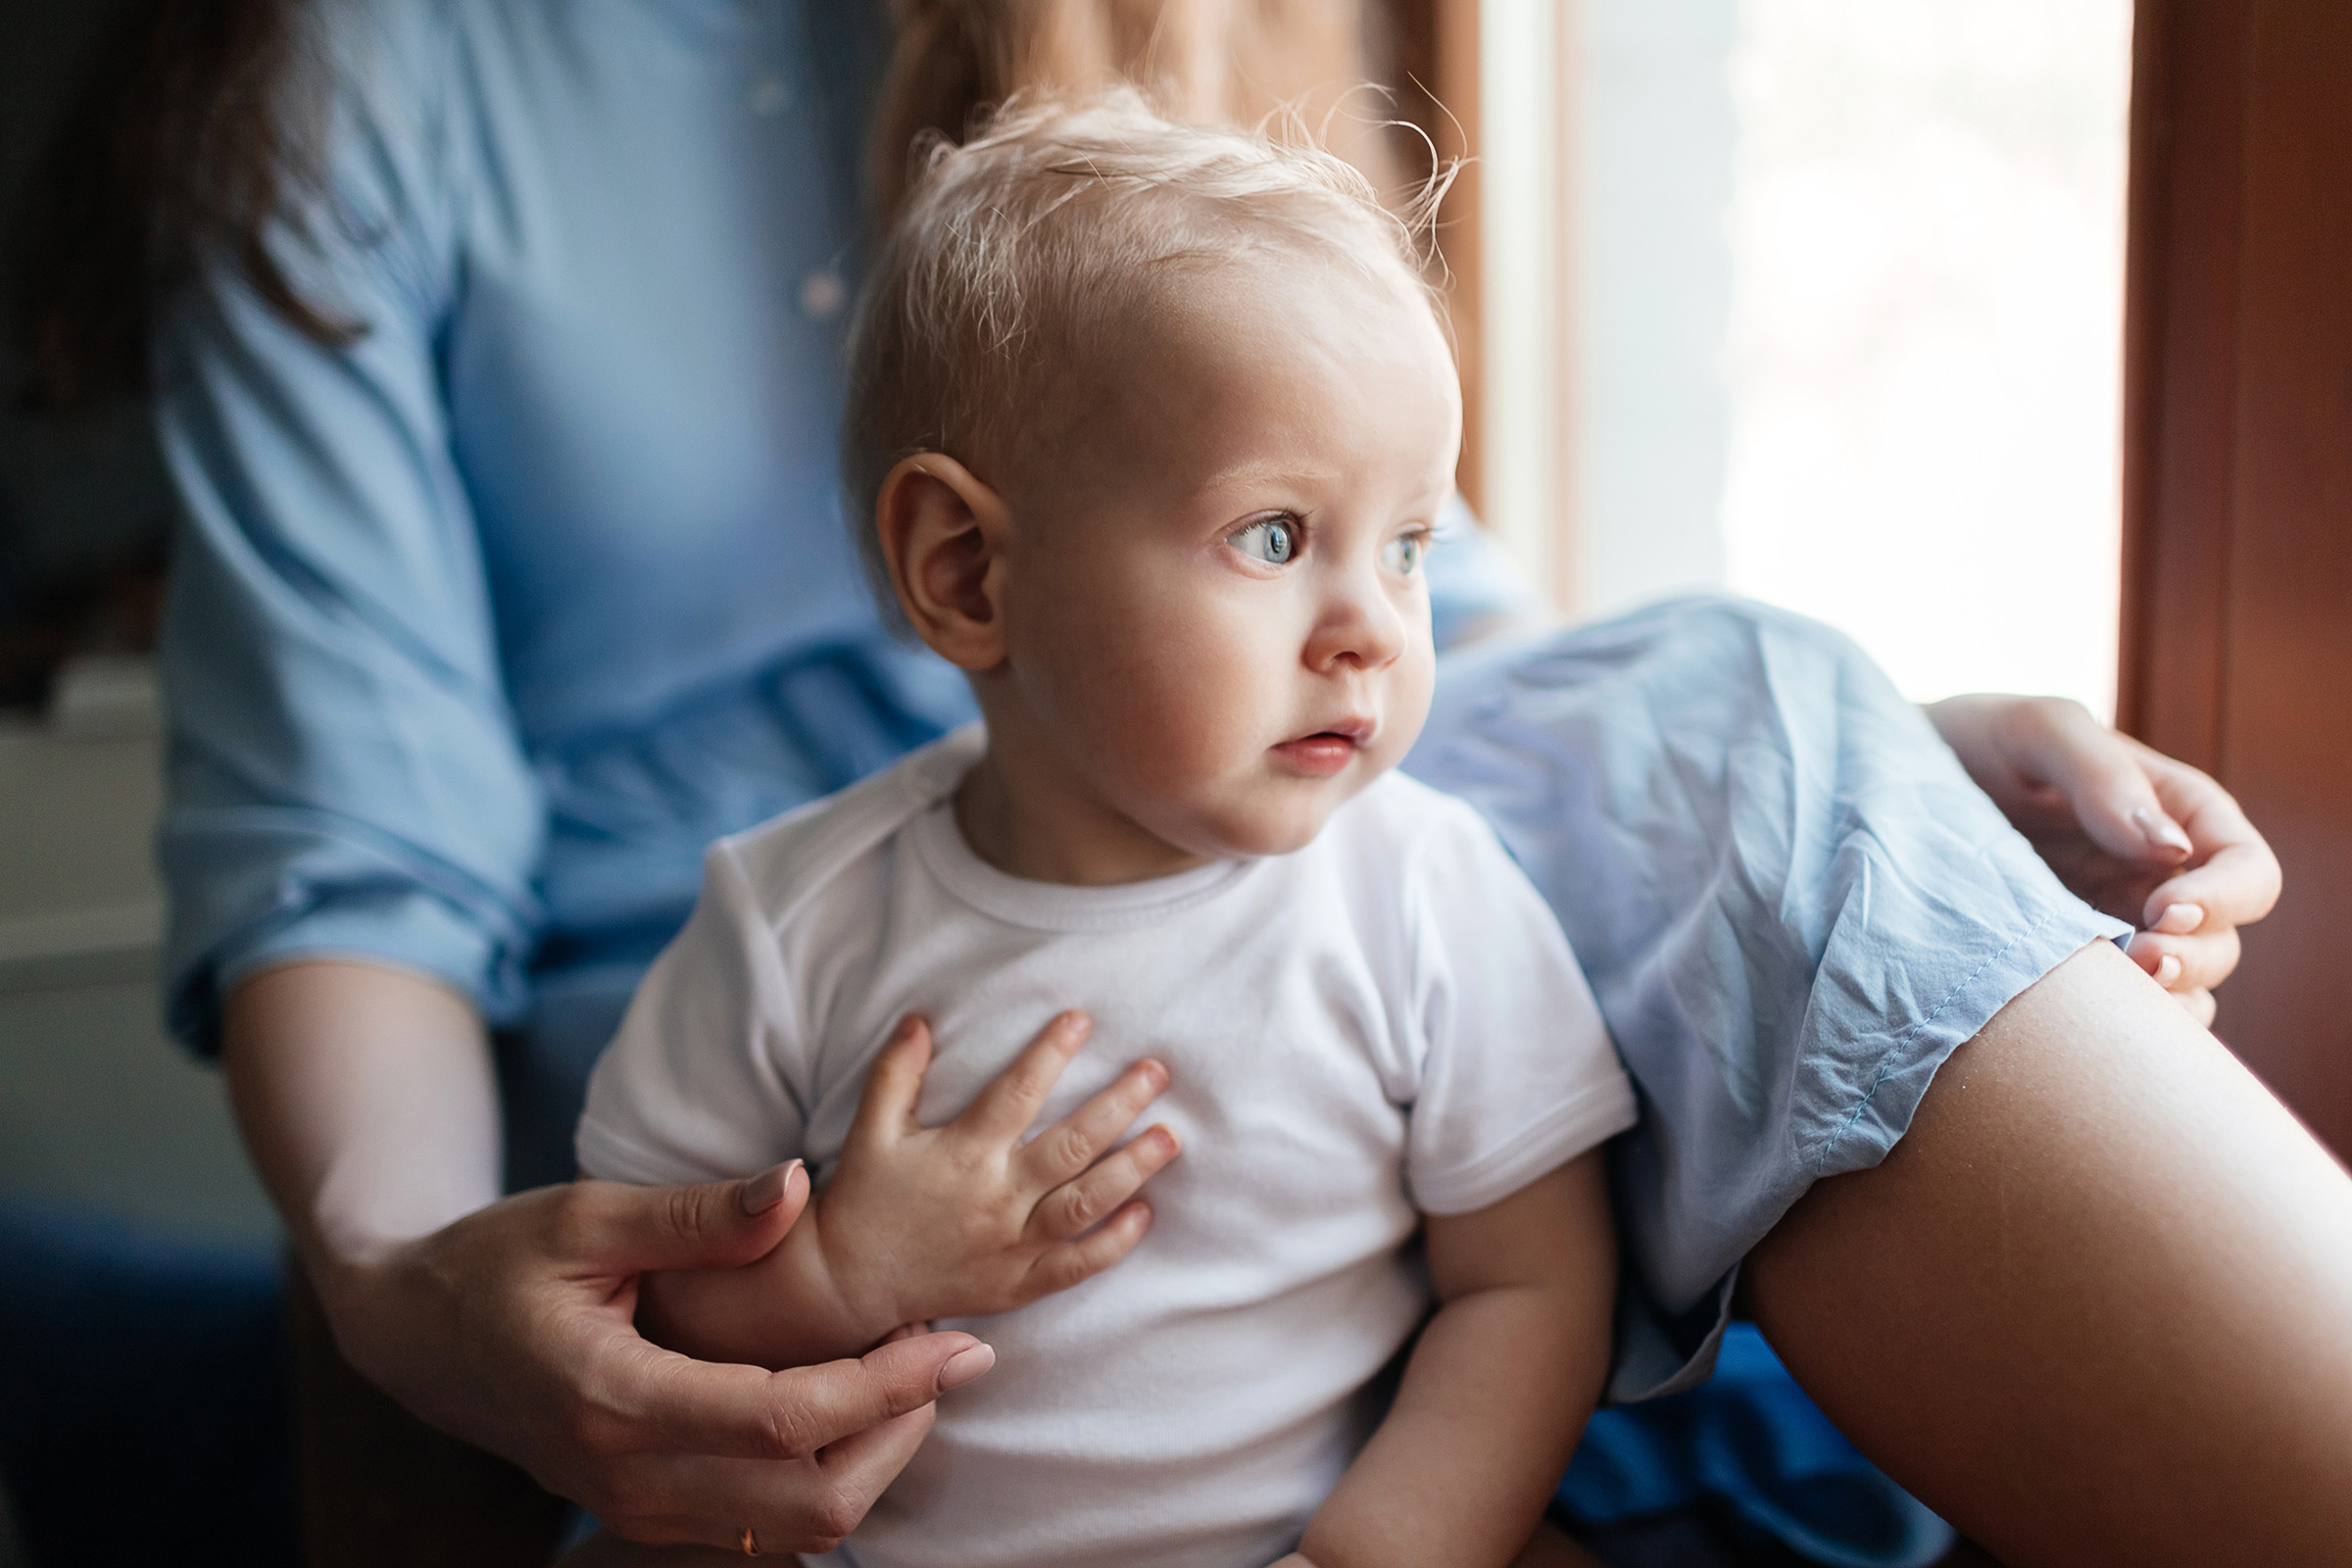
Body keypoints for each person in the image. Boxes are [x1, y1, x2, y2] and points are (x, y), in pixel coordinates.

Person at [18, 1, 2340, 1563]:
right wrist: (411, 1285)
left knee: (1760, 699)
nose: (1362, 588)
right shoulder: (383, 88)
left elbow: (1425, 622)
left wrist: (1904, 778)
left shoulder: (1141, 23)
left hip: (1289, 856)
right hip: (779, 1097)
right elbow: (361, 852)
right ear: (956, 556)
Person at [575, 95, 1634, 1567]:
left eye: (1406, 548)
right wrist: (841, 1271)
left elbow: (1532, 1291)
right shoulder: (791, 923)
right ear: (968, 574)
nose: (1375, 633)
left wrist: (1382, 1553)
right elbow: (633, 1308)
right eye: (1273, 536)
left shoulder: (1421, 892)